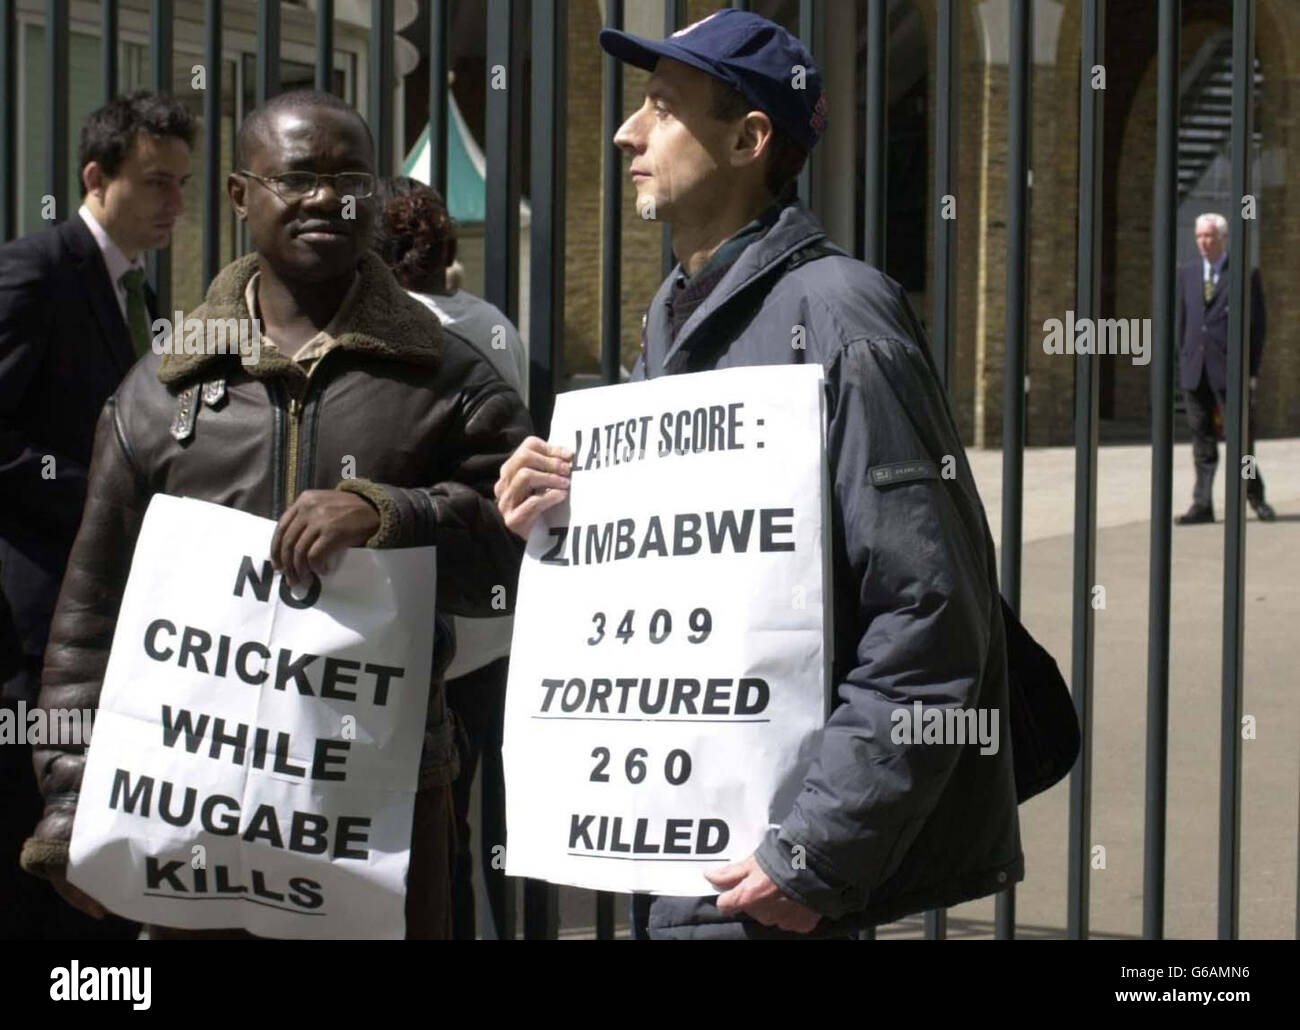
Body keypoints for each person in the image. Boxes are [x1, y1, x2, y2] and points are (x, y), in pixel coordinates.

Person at [495, 9, 1021, 939]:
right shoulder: (674, 312)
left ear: (749, 139)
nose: (628, 130)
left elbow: (932, 612)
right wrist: (570, 502)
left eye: (661, 106)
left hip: (766, 873)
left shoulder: (841, 313)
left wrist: (816, 852)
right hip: (680, 852)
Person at [17, 89, 531, 939]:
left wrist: (397, 515)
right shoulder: (161, 389)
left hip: (384, 814)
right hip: (192, 821)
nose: (327, 199)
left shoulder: (451, 377)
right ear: (239, 195)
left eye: (349, 180)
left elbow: (523, 563)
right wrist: (70, 802)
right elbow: (85, 620)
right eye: (297, 179)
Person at [0, 89, 194, 940]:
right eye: (155, 183)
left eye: (183, 184)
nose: (174, 205)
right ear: (95, 178)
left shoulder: (138, 291)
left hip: (108, 612)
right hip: (34, 619)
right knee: (33, 831)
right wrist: (94, 488)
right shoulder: (38, 269)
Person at [372, 175, 527, 938]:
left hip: (415, 626)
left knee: (418, 823)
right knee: (471, 817)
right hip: (492, 623)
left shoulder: (390, 339)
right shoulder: (495, 324)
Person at [1174, 212, 1274, 524]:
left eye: (1210, 236)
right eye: (1200, 237)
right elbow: (1182, 321)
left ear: (1223, 238)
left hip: (1230, 372)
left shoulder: (1245, 274)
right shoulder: (1187, 273)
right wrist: (1184, 360)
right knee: (1201, 439)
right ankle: (1202, 503)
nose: (1204, 242)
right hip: (1196, 369)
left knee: (1240, 440)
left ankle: (1254, 495)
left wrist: (1252, 372)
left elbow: (1257, 327)